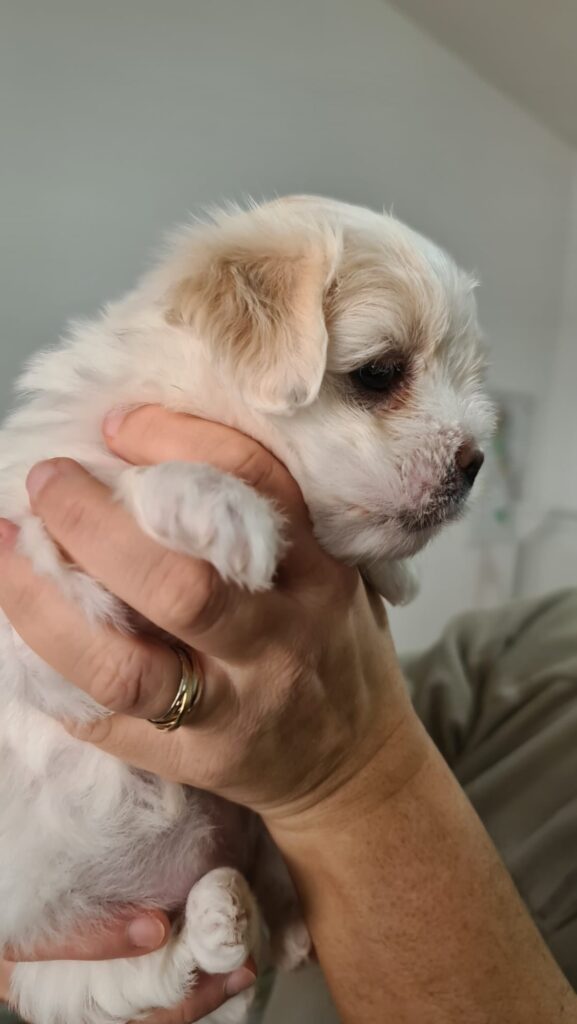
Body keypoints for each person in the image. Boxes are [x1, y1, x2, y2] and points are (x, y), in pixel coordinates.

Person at [0, 406, 575, 1024]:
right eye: (379, 379)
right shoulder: (530, 648)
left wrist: (351, 775)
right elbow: (417, 694)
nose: (468, 445)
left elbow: (360, 724)